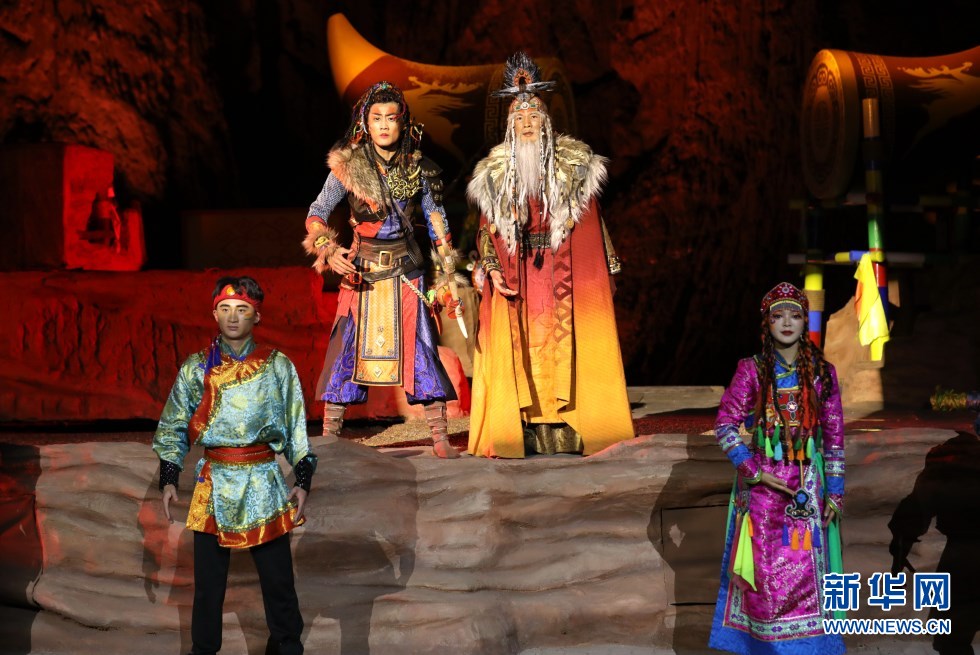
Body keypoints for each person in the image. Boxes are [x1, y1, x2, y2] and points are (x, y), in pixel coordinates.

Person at [465, 51, 633, 458]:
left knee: (566, 347)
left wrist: (599, 270)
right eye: (519, 118)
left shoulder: (574, 169)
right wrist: (492, 267)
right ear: (510, 126)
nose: (527, 123)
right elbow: (486, 232)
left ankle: (573, 427)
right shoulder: (494, 175)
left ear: (547, 122)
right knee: (526, 349)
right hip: (519, 275)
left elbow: (592, 225)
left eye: (534, 116)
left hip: (564, 273)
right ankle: (523, 429)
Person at [153, 276, 317, 655]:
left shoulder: (277, 366)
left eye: (242, 310)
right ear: (214, 314)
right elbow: (174, 423)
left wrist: (303, 478)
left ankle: (286, 646)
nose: (232, 317)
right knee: (208, 586)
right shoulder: (197, 367)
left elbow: (295, 425)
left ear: (256, 316)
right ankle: (203, 650)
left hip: (263, 481)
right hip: (214, 482)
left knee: (278, 581)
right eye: (225, 309)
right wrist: (169, 477)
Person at [303, 80, 461, 459]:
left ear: (403, 122)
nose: (384, 125)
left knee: (421, 350)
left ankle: (439, 438)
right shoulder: (347, 167)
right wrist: (327, 248)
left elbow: (437, 222)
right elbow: (317, 212)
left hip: (406, 273)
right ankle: (329, 440)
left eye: (391, 118)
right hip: (361, 274)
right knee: (344, 352)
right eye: (377, 118)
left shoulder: (419, 168)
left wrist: (448, 274)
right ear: (365, 122)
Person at [709, 282, 845, 655]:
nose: (786, 322)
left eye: (795, 315)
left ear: (805, 322)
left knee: (808, 579)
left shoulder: (823, 372)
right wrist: (752, 470)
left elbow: (834, 436)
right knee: (764, 581)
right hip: (762, 492)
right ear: (766, 323)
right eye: (778, 316)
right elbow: (724, 425)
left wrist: (835, 492)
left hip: (807, 488)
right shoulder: (751, 370)